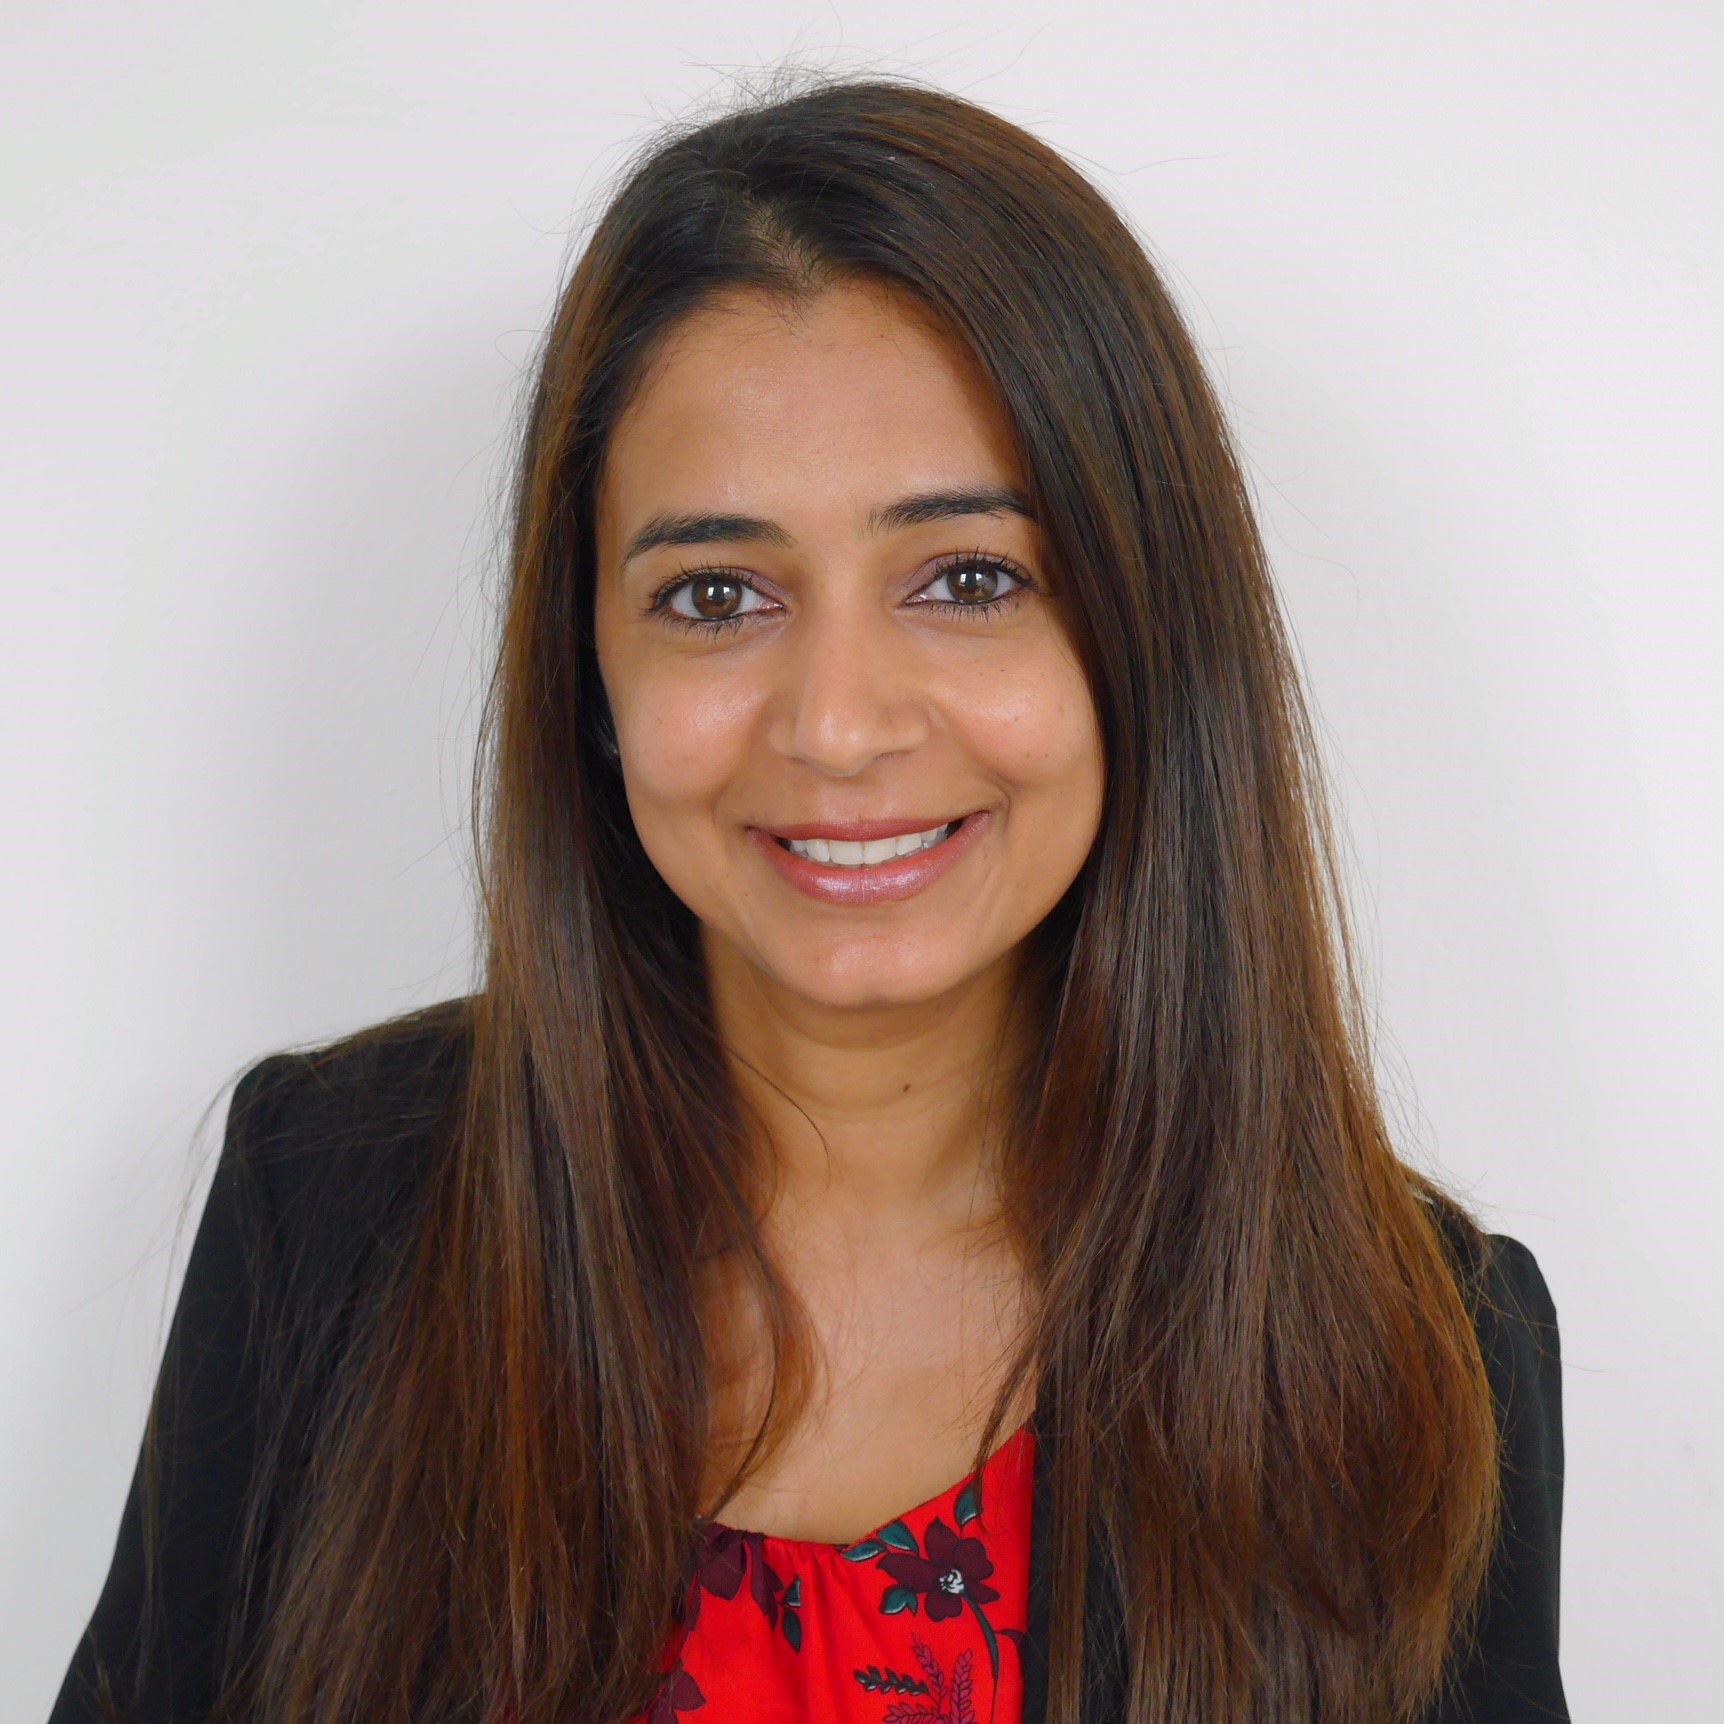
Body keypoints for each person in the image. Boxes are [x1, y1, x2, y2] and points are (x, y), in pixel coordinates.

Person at [49, 73, 1565, 1724]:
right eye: (716, 595)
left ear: (1144, 636)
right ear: (593, 676)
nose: (839, 723)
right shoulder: (330, 1217)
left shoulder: (1420, 1351)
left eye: (969, 579)